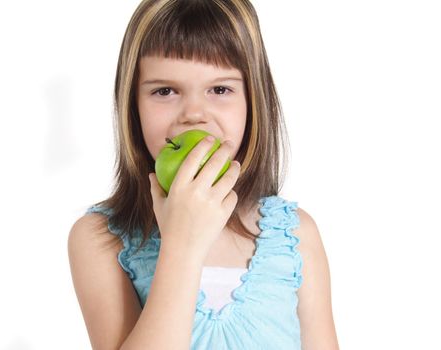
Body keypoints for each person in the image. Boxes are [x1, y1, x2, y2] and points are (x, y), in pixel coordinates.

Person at [68, 0, 340, 349]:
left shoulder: (296, 236)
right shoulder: (100, 239)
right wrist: (183, 244)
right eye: (165, 91)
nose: (194, 115)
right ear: (132, 106)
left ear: (253, 101)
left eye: (220, 89)